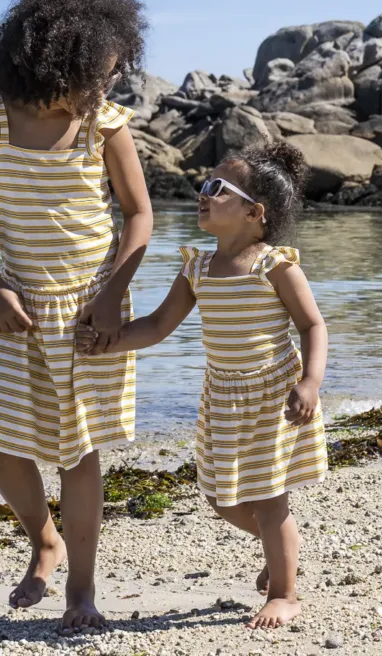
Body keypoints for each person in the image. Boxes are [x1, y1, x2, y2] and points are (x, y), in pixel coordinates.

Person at [0, 0, 153, 634]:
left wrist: (111, 296)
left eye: (117, 69)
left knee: (78, 450)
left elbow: (139, 216)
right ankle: (44, 536)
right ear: (52, 57)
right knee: (0, 443)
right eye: (103, 69)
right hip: (18, 306)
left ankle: (82, 592)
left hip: (92, 307)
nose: (111, 81)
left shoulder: (105, 122)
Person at [78, 142, 328, 629]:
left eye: (217, 188)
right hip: (222, 399)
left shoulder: (274, 265)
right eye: (204, 186)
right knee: (220, 497)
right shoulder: (197, 267)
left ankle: (285, 592)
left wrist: (310, 382)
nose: (203, 194)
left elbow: (313, 326)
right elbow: (157, 326)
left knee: (270, 496)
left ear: (254, 213)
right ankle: (282, 549)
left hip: (273, 396)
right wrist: (109, 342)